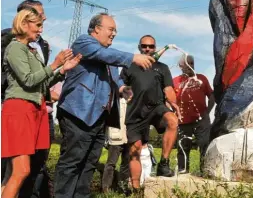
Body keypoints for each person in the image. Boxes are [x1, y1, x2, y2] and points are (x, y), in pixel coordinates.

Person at [54, 13, 155, 198]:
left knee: (89, 164)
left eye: (115, 30)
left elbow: (113, 79)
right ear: (97, 29)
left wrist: (122, 88)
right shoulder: (84, 43)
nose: (114, 33)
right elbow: (102, 54)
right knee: (72, 163)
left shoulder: (108, 57)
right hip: (79, 114)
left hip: (98, 118)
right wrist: (133, 57)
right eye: (111, 29)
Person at [1, 8, 81, 198]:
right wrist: (54, 64)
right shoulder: (15, 48)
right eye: (37, 25)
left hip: (35, 110)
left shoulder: (32, 51)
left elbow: (42, 84)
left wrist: (62, 70)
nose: (40, 30)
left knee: (23, 170)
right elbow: (28, 80)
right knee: (20, 171)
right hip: (20, 109)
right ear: (24, 24)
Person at [121, 35, 180, 190]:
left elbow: (168, 89)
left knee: (173, 121)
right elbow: (120, 86)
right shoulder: (129, 66)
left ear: (155, 48)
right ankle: (135, 189)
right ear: (139, 47)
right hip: (135, 111)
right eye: (144, 46)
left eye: (151, 46)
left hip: (156, 107)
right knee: (135, 151)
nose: (148, 49)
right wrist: (123, 91)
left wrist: (173, 102)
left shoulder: (162, 67)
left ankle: (163, 164)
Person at [173, 55, 215, 173]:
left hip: (201, 120)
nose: (190, 66)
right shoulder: (175, 81)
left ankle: (206, 171)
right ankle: (183, 171)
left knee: (204, 144)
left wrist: (208, 112)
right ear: (181, 66)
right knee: (183, 146)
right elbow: (168, 99)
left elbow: (211, 95)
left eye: (191, 63)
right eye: (186, 64)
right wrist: (174, 112)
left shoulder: (201, 78)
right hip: (183, 121)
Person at [102, 97, 129, 193]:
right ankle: (106, 189)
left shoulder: (132, 99)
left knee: (126, 164)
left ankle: (124, 188)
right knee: (111, 163)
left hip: (129, 136)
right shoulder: (112, 98)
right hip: (115, 136)